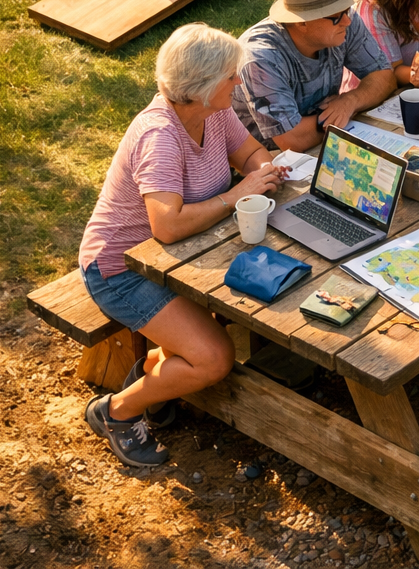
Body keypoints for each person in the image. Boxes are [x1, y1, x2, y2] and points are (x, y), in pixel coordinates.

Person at [78, 24, 286, 467]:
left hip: (181, 257)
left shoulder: (212, 111)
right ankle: (117, 412)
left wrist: (264, 171)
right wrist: (236, 195)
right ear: (205, 86)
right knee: (213, 358)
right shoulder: (160, 136)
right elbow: (167, 226)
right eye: (231, 75)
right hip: (122, 270)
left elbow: (250, 153)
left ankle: (155, 376)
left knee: (242, 310)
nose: (238, 81)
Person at [232, 0, 396, 151]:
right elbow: (292, 140)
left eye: (347, 10)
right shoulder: (260, 58)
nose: (347, 20)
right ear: (302, 22)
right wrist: (335, 118)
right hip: (267, 159)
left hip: (320, 139)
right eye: (336, 16)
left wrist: (350, 102)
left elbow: (385, 76)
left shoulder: (343, 22)